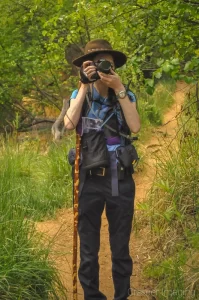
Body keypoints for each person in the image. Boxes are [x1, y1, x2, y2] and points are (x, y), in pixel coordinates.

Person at [64, 39, 140, 300]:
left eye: (106, 62)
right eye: (95, 63)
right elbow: (68, 124)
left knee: (120, 248)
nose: (101, 67)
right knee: (88, 249)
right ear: (87, 66)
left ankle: (122, 296)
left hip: (121, 177)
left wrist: (118, 87)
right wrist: (83, 87)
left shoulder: (124, 94)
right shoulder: (80, 94)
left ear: (114, 66)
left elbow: (136, 126)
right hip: (88, 179)